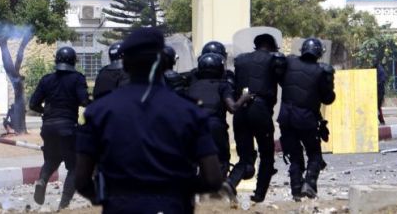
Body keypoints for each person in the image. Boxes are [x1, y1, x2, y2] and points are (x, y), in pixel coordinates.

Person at [74, 27, 224, 213]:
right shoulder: (189, 112)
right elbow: (213, 179)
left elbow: (81, 180)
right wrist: (180, 190)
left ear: (125, 65)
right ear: (165, 62)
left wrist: (104, 195)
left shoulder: (99, 111)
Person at [29, 46, 89, 210]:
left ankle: (42, 181)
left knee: (51, 160)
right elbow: (84, 101)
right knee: (74, 167)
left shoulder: (46, 79)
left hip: (47, 127)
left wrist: (45, 112)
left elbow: (33, 104)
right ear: (73, 61)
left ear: (56, 60)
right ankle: (64, 204)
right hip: (67, 128)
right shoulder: (77, 78)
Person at [276, 38, 336, 200]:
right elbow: (328, 99)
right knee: (314, 155)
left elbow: (280, 79)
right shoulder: (321, 71)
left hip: (286, 119)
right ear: (318, 53)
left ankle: (296, 190)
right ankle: (309, 183)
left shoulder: (289, 63)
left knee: (295, 156)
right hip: (306, 119)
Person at [228, 33, 282, 203]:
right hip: (260, 109)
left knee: (245, 156)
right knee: (266, 154)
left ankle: (230, 183)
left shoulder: (241, 60)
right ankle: (259, 194)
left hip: (241, 109)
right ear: (271, 46)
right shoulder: (274, 59)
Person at [186, 52, 249, 180]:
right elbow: (233, 108)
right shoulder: (222, 85)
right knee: (222, 160)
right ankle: (221, 191)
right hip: (215, 127)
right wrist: (244, 98)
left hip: (192, 128)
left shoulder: (192, 86)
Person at [375, 59, 387, 125]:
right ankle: (381, 120)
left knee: (377, 107)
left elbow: (382, 81)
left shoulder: (380, 70)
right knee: (377, 107)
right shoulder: (377, 69)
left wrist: (376, 83)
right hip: (377, 91)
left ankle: (381, 120)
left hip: (379, 92)